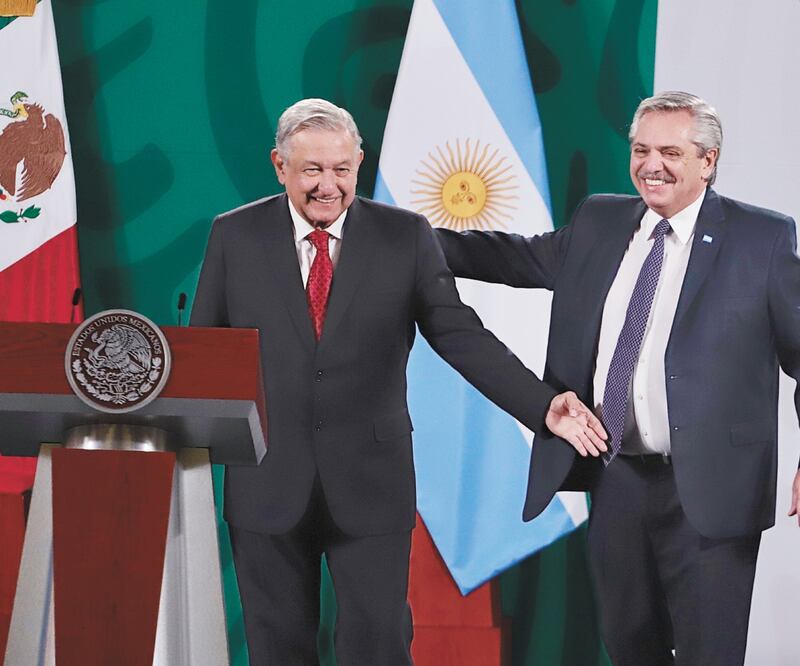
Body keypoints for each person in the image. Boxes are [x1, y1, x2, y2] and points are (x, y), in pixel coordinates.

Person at [190, 98, 606, 665]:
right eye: (311, 170)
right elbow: (204, 356)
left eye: (341, 169)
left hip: (371, 482)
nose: (328, 185)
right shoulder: (233, 236)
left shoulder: (403, 237)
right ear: (279, 165)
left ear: (359, 161)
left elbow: (460, 335)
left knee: (378, 644)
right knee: (276, 648)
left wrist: (542, 405)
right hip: (265, 479)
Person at [436, 90, 800, 665]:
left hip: (712, 487)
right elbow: (509, 258)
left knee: (711, 653)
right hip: (617, 479)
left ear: (708, 161)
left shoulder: (764, 240)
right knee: (630, 646)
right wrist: (397, 237)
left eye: (670, 153)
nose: (651, 165)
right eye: (640, 150)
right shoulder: (600, 220)